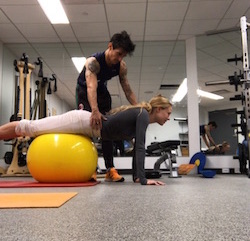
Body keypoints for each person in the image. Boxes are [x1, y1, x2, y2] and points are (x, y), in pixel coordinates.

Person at [0, 95, 172, 186]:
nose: (169, 117)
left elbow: (137, 149)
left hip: (85, 127)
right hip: (81, 121)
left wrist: (137, 177)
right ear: (158, 109)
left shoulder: (141, 116)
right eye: (168, 113)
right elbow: (140, 148)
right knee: (31, 128)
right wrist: (143, 180)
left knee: (32, 129)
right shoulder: (142, 114)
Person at [76, 30, 137, 182]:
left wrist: (138, 107)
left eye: (123, 55)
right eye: (118, 53)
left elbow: (127, 89)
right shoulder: (93, 62)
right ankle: (91, 169)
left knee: (107, 129)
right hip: (85, 91)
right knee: (87, 129)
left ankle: (110, 169)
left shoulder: (121, 66)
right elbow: (91, 87)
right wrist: (94, 110)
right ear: (110, 46)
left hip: (101, 91)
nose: (120, 58)